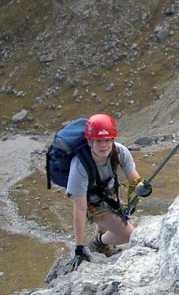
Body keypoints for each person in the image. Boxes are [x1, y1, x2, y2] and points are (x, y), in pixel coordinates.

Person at [64, 113, 150, 272]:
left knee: (119, 225)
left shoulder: (120, 152)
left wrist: (142, 189)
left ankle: (103, 238)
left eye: (108, 140)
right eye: (98, 141)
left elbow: (135, 180)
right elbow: (80, 209)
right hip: (92, 204)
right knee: (129, 235)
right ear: (90, 141)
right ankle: (98, 244)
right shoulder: (79, 166)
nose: (104, 145)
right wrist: (79, 248)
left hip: (110, 197)